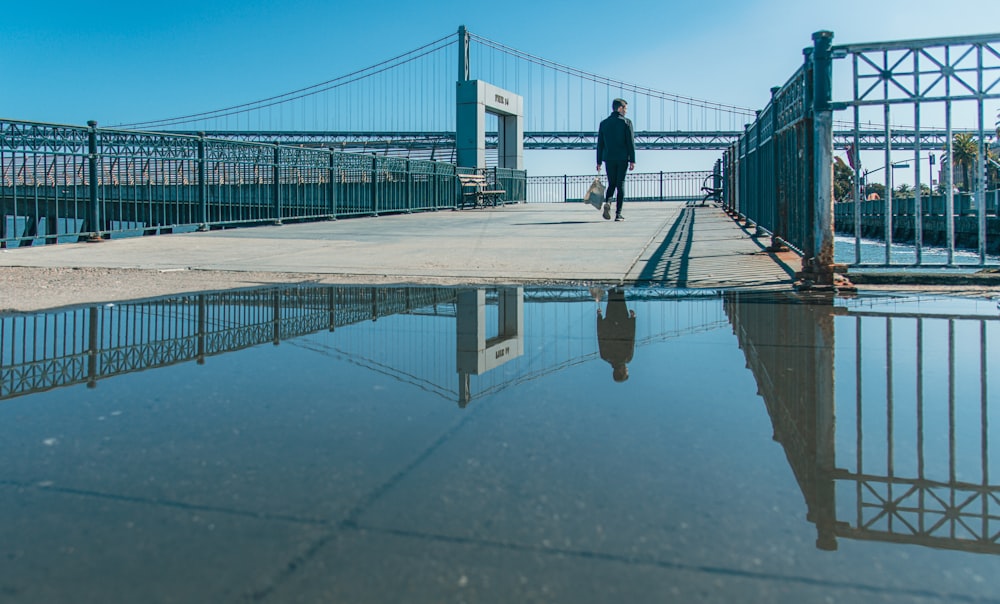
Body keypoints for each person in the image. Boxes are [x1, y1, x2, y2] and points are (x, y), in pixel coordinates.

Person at [596, 98, 636, 222]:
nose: (626, 111)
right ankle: (618, 214)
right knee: (621, 184)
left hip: (609, 158)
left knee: (611, 183)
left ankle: (607, 202)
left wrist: (598, 162)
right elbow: (630, 143)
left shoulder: (603, 123)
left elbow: (600, 144)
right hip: (622, 158)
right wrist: (632, 160)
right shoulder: (626, 122)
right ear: (620, 108)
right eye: (625, 109)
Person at [597, 286, 636, 382]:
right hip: (610, 320)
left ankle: (619, 278)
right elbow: (600, 336)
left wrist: (632, 319)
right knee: (611, 295)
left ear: (622, 372)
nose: (627, 369)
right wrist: (599, 318)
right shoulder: (605, 356)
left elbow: (631, 337)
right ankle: (609, 277)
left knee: (620, 294)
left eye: (626, 371)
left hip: (622, 321)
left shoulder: (627, 358)